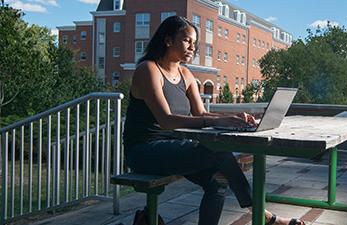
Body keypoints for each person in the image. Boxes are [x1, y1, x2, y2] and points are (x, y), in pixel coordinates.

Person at [123, 16, 305, 225]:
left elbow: (201, 113)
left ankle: (264, 216)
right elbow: (166, 120)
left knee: (218, 182)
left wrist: (232, 118)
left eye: (195, 43)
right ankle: (266, 217)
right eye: (186, 40)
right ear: (168, 40)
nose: (193, 47)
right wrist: (218, 122)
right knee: (221, 154)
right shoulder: (148, 69)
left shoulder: (186, 74)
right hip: (143, 151)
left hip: (173, 148)